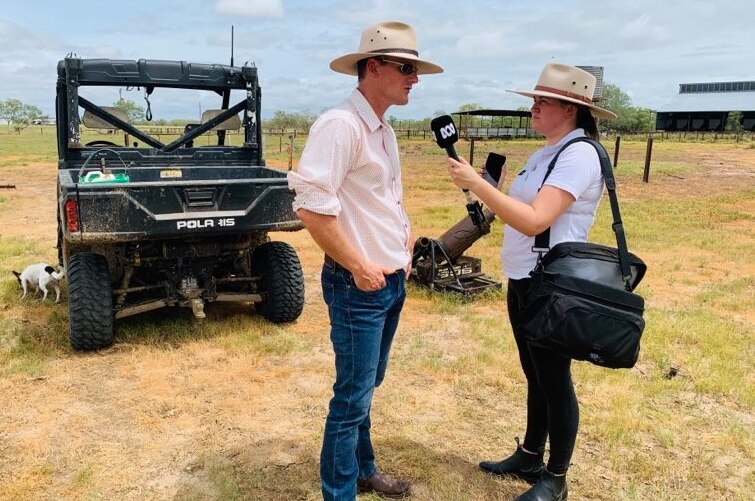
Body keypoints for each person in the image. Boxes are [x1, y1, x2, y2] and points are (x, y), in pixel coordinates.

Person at [445, 62, 617, 501]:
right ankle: (529, 454)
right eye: (534, 100)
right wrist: (491, 185)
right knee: (535, 374)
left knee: (553, 379)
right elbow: (518, 209)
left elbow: (536, 217)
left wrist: (478, 187)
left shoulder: (577, 155)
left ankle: (556, 478)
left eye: (542, 101)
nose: (533, 108)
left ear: (572, 109)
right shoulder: (548, 151)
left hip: (551, 285)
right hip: (527, 278)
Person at [287, 21, 443, 500]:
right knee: (352, 396)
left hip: (387, 278)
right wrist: (358, 265)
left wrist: (402, 247)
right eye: (405, 67)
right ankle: (341, 492)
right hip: (361, 283)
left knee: (366, 384)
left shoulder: (382, 130)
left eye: (415, 68)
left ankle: (363, 469)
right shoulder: (340, 125)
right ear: (373, 68)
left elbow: (382, 200)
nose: (414, 77)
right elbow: (311, 207)